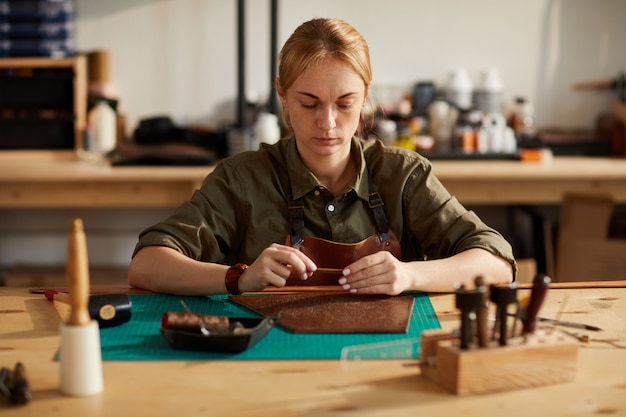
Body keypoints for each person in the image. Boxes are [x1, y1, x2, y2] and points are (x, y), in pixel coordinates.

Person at [128, 17, 516, 296]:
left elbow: (496, 262)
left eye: (345, 103)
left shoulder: (404, 175)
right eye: (309, 103)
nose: (327, 123)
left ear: (365, 98)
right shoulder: (241, 179)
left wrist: (409, 276)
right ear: (282, 97)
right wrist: (238, 277)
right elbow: (147, 264)